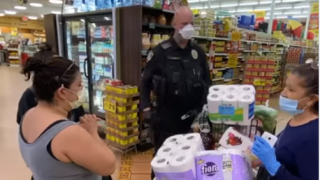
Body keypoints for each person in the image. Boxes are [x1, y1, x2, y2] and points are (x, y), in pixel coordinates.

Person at [140, 6, 211, 179]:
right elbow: (144, 82)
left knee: (189, 162)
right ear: (175, 25)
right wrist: (146, 108)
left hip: (193, 120)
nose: (189, 28)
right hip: (166, 119)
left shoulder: (198, 53)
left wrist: (205, 111)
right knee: (162, 162)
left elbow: (207, 83)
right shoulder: (159, 52)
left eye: (192, 24)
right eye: (185, 23)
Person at [19, 57, 116, 180]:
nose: (82, 89)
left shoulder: (28, 116)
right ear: (62, 92)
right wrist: (92, 132)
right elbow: (109, 166)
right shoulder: (68, 133)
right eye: (79, 85)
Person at [253, 62, 319, 180]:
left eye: (291, 89)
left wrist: (273, 165)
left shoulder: (314, 136)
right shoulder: (297, 120)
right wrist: (259, 160)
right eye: (285, 86)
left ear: (311, 99)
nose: (283, 93)